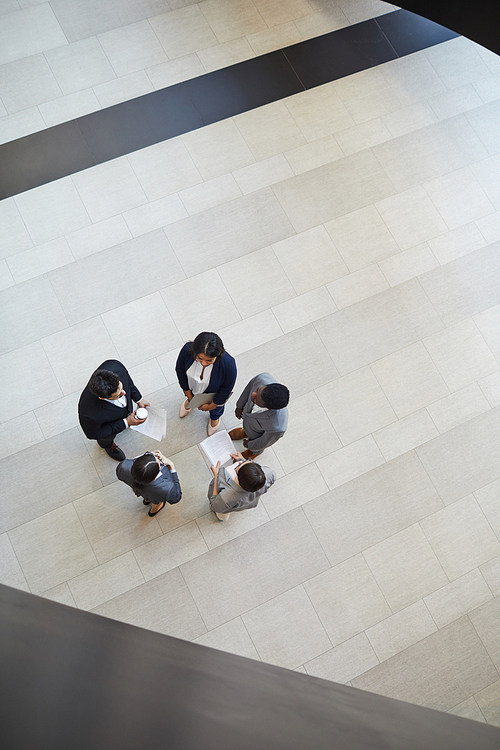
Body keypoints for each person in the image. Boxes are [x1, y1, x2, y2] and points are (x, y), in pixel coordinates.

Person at [78, 359, 150, 461]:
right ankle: (107, 445)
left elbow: (128, 381)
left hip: (121, 413)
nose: (124, 393)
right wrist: (126, 422)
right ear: (103, 398)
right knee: (106, 438)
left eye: (121, 387)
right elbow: (93, 434)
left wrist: (138, 399)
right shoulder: (89, 414)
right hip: (109, 424)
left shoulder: (115, 366)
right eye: (118, 395)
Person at [175, 331, 237, 437]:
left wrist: (213, 405)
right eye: (200, 358)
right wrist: (189, 395)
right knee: (191, 398)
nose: (203, 363)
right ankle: (190, 403)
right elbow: (180, 370)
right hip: (192, 388)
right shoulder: (186, 350)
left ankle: (214, 418)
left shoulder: (228, 364)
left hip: (213, 395)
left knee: (217, 408)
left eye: (209, 360)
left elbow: (226, 388)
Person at [229, 372, 289, 459]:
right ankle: (245, 432)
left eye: (256, 400)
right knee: (248, 428)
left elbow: (264, 442)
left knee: (257, 448)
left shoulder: (277, 427)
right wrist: (239, 406)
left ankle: (254, 452)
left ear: (269, 408)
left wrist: (250, 445)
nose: (253, 395)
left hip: (257, 436)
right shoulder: (262, 379)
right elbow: (248, 390)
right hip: (249, 422)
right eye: (257, 390)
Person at [208, 452, 276, 521]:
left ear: (238, 475)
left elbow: (215, 506)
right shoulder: (269, 474)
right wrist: (243, 460)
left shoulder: (226, 498)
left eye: (238, 466)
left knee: (222, 515)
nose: (239, 462)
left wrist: (216, 476)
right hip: (249, 503)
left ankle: (222, 519)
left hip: (226, 506)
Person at [116, 450, 181, 517]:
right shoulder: (167, 488)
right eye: (160, 462)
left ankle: (147, 499)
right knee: (156, 502)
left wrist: (149, 456)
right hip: (155, 494)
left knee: (147, 494)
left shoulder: (123, 467)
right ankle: (153, 510)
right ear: (154, 478)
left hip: (140, 490)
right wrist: (171, 465)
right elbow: (177, 497)